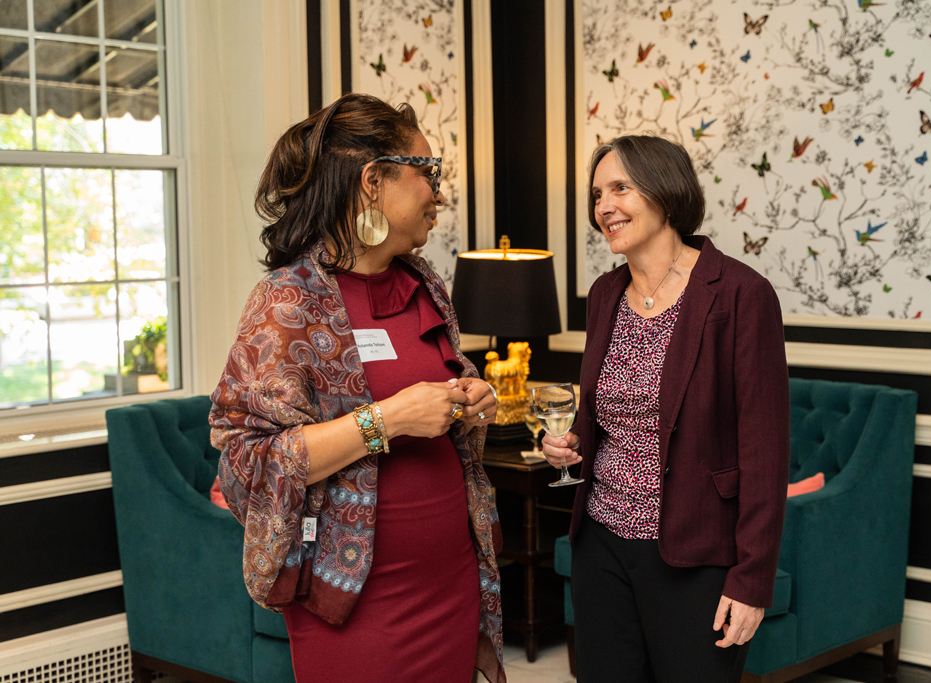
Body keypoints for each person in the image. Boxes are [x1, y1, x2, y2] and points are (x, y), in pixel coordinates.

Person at [209, 93, 505, 683]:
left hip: (451, 576)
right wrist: (386, 421)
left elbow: (442, 382)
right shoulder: (287, 301)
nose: (438, 192)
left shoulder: (425, 284)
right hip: (353, 600)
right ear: (373, 181)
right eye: (428, 173)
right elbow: (248, 460)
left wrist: (473, 401)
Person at [542, 135, 789, 682]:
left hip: (695, 551)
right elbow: (601, 416)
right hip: (601, 543)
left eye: (621, 188)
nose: (604, 205)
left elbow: (765, 453)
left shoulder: (741, 294)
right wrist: (567, 444)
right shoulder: (606, 293)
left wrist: (751, 581)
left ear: (665, 190)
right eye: (597, 192)